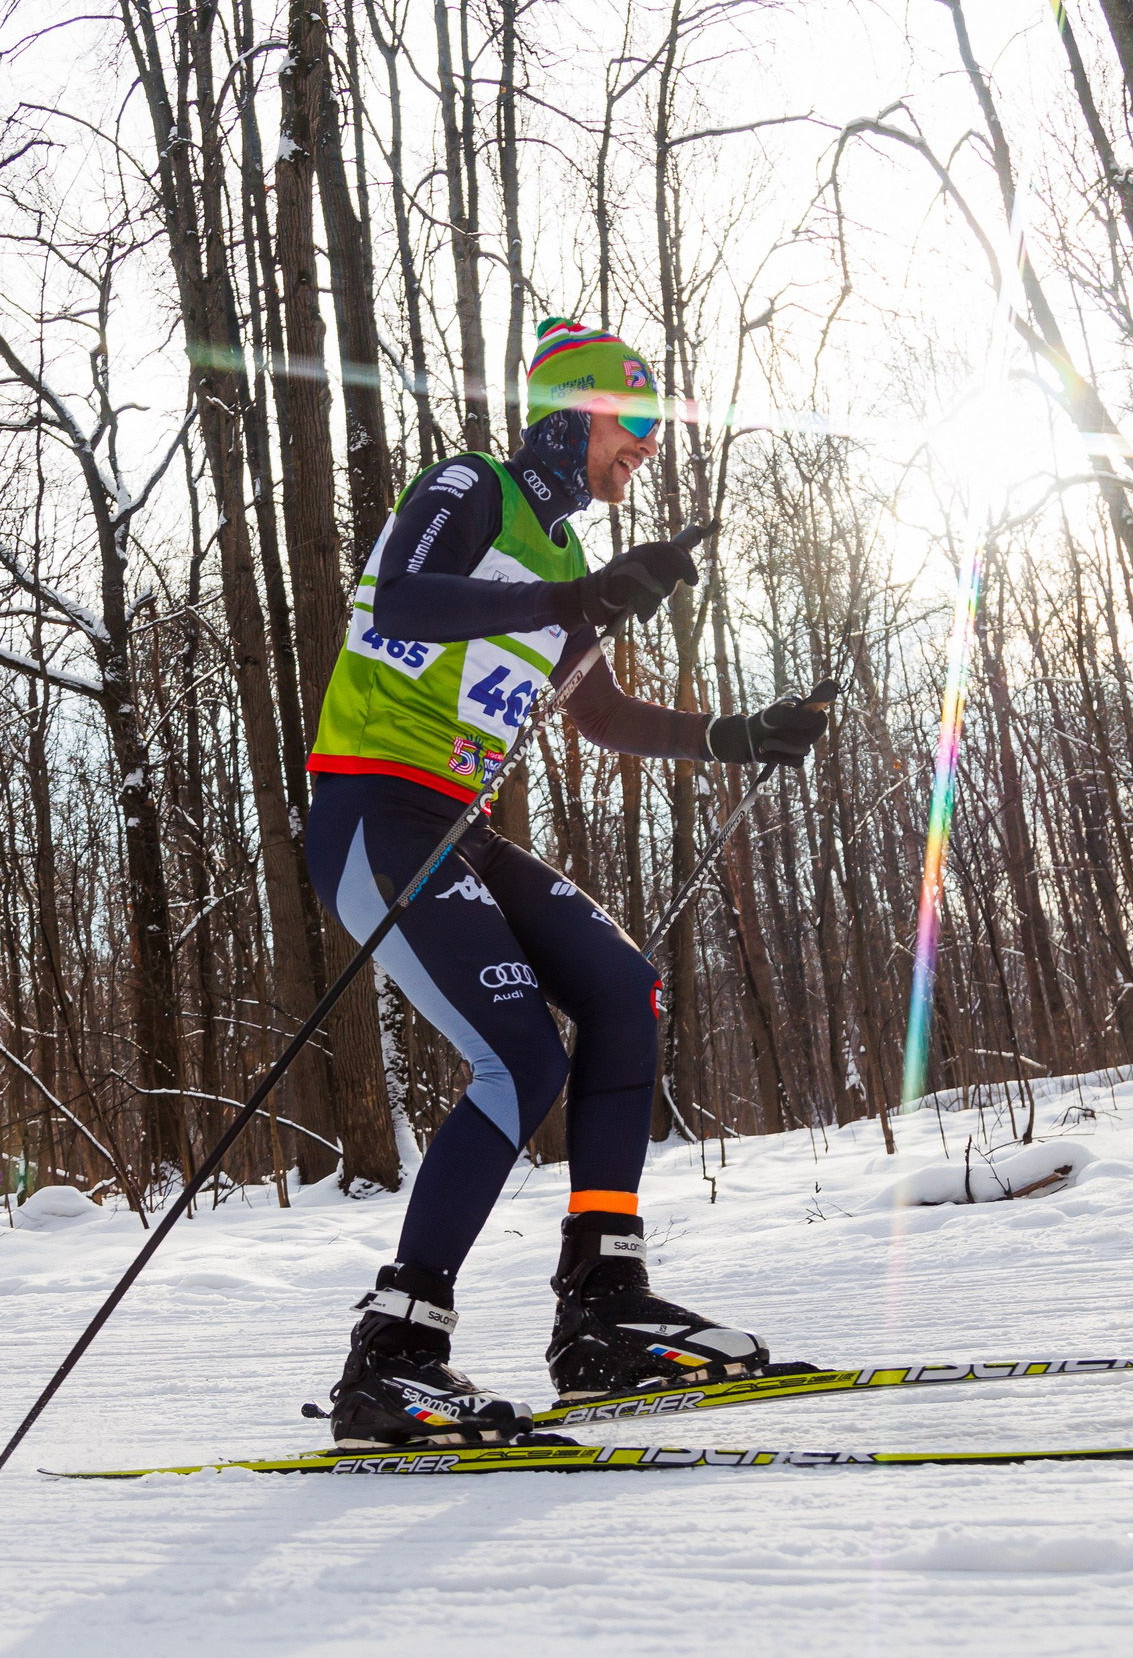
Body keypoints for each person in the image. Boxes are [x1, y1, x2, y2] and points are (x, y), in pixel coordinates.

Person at [304, 317, 832, 1449]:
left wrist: (739, 735)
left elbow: (595, 713)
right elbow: (402, 599)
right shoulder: (473, 487)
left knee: (620, 989)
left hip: (457, 824)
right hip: (373, 813)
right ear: (567, 414)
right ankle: (392, 1354)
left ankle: (603, 1308)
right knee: (520, 1056)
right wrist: (575, 597)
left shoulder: (563, 567)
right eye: (629, 427)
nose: (642, 451)